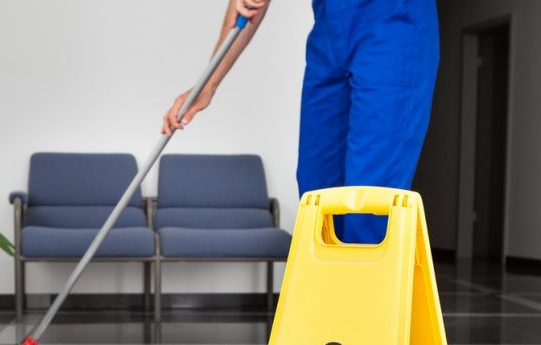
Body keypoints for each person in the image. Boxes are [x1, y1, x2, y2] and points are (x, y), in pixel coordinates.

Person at [162, 0, 439, 244]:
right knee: (317, 196)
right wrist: (208, 84)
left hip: (393, 25)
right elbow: (247, 6)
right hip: (330, 33)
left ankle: (366, 301)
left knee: (370, 203)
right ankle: (327, 300)